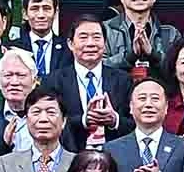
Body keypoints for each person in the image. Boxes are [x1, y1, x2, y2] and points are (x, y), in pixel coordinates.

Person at [108, 76, 184, 172]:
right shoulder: (112, 149)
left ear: (166, 107)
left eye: (155, 99)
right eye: (142, 98)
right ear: (131, 107)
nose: (148, 104)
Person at [45, 16, 133, 147]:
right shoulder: (53, 81)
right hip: (70, 152)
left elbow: (133, 123)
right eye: (83, 37)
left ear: (104, 43)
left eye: (96, 37)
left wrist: (115, 120)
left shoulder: (123, 80)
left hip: (114, 153)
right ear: (70, 44)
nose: (90, 43)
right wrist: (83, 120)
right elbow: (49, 121)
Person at [109, 0, 182, 83]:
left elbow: (180, 70)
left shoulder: (171, 34)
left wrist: (153, 54)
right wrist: (129, 56)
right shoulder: (105, 30)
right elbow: (96, 68)